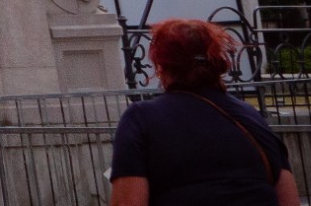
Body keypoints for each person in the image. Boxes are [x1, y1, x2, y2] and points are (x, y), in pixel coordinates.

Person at [111, 19, 298, 206]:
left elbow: (128, 202)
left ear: (161, 66)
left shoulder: (141, 118)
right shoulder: (251, 116)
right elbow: (289, 199)